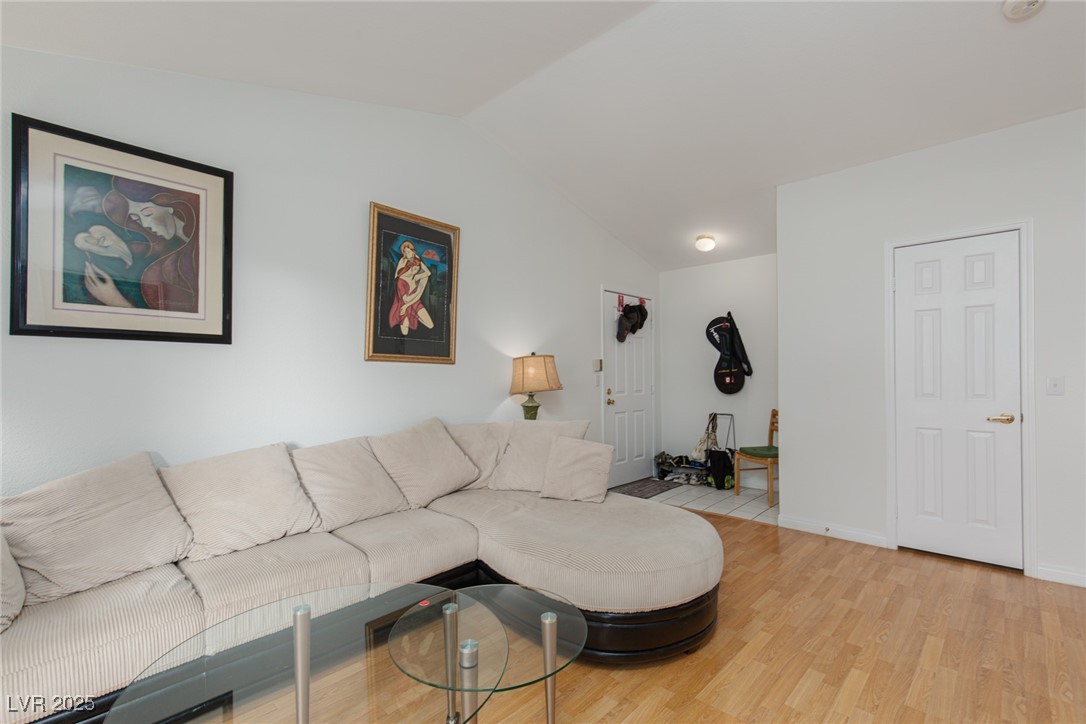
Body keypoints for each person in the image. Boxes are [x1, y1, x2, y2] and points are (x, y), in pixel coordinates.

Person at [388, 240, 434, 335]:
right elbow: (397, 276)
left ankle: (414, 314)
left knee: (431, 325)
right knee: (405, 332)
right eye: (406, 252)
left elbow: (428, 273)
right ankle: (409, 314)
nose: (409, 254)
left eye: (410, 251)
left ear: (413, 251)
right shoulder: (402, 268)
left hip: (413, 301)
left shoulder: (420, 273)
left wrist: (417, 276)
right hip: (403, 300)